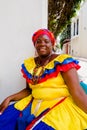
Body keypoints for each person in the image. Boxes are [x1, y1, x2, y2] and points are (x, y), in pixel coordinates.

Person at [0, 28, 87, 130]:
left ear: (52, 44)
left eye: (46, 41)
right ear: (35, 45)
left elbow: (77, 92)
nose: (42, 44)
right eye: (38, 41)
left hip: (59, 105)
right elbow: (29, 90)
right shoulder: (30, 65)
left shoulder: (63, 61)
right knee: (4, 119)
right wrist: (10, 98)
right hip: (33, 102)